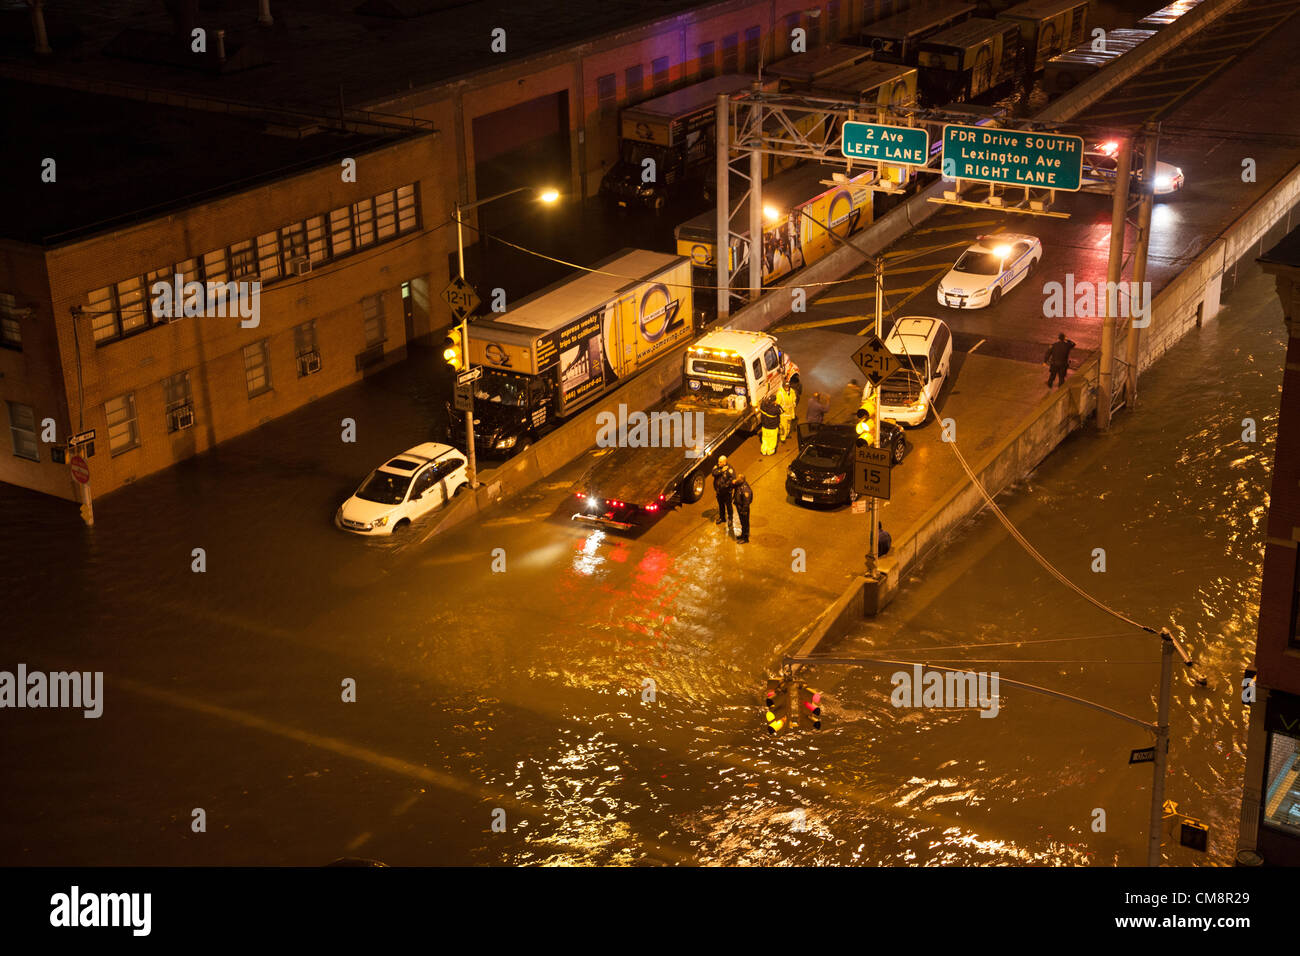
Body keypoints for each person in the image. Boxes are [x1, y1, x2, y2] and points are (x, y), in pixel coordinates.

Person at [711, 455, 736, 528]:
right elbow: (713, 473)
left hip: (727, 492)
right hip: (719, 492)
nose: (718, 463)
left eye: (720, 462)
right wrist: (721, 471)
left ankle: (730, 519)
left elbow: (732, 479)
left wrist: (725, 486)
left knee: (728, 506)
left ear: (724, 462)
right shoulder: (717, 467)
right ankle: (722, 517)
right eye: (718, 461)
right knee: (721, 505)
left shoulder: (730, 469)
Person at [731, 473, 753, 543]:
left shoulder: (745, 489)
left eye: (738, 479)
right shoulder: (739, 484)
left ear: (742, 480)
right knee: (742, 522)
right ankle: (743, 535)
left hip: (743, 509)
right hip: (739, 507)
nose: (737, 479)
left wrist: (744, 511)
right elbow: (733, 485)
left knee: (745, 523)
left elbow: (746, 502)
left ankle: (745, 538)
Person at [776, 378, 797, 443]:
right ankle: (782, 438)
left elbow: (794, 397)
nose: (787, 388)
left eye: (788, 386)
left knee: (788, 425)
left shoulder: (792, 391)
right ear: (783, 386)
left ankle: (787, 435)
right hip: (783, 413)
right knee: (783, 426)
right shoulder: (780, 393)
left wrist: (794, 403)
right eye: (785, 387)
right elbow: (778, 403)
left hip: (790, 412)